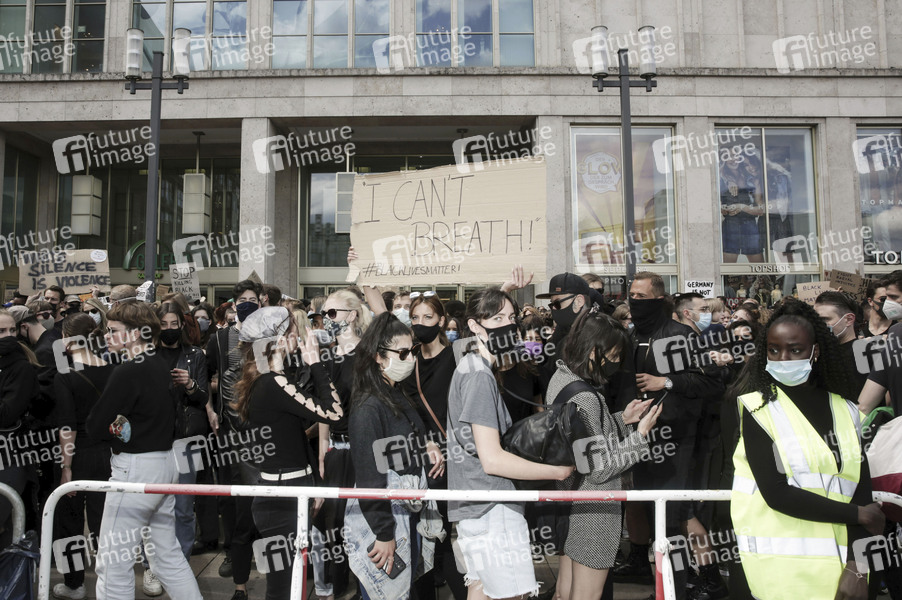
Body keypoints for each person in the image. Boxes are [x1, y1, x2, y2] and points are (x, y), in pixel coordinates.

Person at [731, 299, 883, 599]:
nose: (783, 359)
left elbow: (861, 492)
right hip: (783, 573)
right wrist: (858, 515)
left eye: (795, 350)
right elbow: (776, 493)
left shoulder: (847, 410)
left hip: (845, 571)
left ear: (815, 351)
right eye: (774, 350)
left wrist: (858, 567)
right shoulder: (756, 408)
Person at [447, 287, 574, 600]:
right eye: (497, 318)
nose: (508, 324)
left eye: (511, 317)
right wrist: (558, 472)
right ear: (475, 325)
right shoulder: (479, 375)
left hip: (474, 507)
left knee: (480, 590)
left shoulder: (471, 366)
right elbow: (492, 459)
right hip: (493, 508)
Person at [85, 301, 202, 600]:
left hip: (135, 470)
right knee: (167, 555)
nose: (107, 336)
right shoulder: (161, 365)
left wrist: (116, 428)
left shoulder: (129, 370)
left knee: (113, 561)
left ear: (136, 333)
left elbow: (95, 425)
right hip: (165, 464)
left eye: (113, 330)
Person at [232, 306, 345, 600]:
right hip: (283, 499)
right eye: (294, 329)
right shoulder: (274, 382)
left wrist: (313, 485)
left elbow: (291, 439)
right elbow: (334, 412)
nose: (300, 335)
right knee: (283, 589)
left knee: (288, 584)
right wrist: (316, 363)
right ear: (281, 340)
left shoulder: (266, 379)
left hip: (285, 492)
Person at [550, 311, 661, 600]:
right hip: (594, 510)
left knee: (565, 592)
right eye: (613, 355)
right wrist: (639, 435)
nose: (616, 362)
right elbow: (599, 469)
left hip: (570, 500)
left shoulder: (562, 377)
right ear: (594, 351)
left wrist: (622, 419)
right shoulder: (586, 396)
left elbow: (583, 438)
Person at [346, 312, 445, 600]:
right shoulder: (369, 406)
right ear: (379, 357)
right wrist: (384, 534)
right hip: (386, 519)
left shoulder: (394, 391)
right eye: (403, 353)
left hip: (405, 512)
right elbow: (369, 476)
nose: (411, 358)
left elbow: (408, 433)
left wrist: (427, 445)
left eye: (412, 350)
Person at [51, 313, 116, 600]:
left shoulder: (65, 374)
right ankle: (110, 582)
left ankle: (74, 584)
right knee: (107, 523)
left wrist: (66, 467)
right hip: (110, 454)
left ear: (68, 338)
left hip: (78, 456)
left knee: (70, 523)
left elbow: (67, 427)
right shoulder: (113, 369)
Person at [205, 280, 263, 597]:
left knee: (262, 494)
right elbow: (206, 375)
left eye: (253, 299)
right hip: (229, 428)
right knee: (231, 495)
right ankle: (232, 551)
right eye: (242, 299)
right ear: (234, 303)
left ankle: (263, 550)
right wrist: (211, 409)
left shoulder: (269, 335)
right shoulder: (220, 337)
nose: (247, 303)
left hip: (262, 426)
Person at [316, 288, 373, 598]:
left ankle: (367, 586)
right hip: (336, 451)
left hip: (363, 450)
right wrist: (323, 451)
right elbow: (324, 410)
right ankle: (338, 588)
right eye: (324, 313)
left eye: (332, 312)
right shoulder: (325, 357)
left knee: (365, 521)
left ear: (351, 315)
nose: (327, 319)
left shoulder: (367, 354)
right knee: (334, 524)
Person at [155, 302, 210, 562]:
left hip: (188, 440)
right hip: (155, 439)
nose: (169, 329)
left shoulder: (195, 355)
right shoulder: (147, 355)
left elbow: (203, 397)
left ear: (181, 326)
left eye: (174, 324)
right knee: (155, 506)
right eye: (163, 324)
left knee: (184, 507)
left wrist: (189, 384)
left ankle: (182, 560)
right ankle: (155, 562)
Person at [0, 308, 40, 549]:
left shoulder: (21, 368)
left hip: (11, 455)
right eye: (1, 331)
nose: (8, 336)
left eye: (12, 330)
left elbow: (7, 414)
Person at [814, 291, 868, 398]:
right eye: (815, 319)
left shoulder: (863, 352)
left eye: (825, 319)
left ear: (849, 319)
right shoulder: (817, 352)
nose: (818, 325)